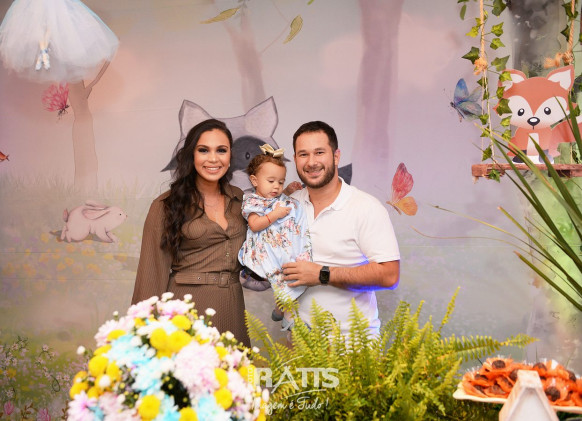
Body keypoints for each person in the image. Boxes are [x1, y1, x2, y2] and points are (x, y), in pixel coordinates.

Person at [131, 119, 250, 347]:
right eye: (203, 150)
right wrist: (141, 339)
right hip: (185, 312)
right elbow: (150, 276)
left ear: (230, 156)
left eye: (221, 150)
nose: (213, 159)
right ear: (191, 155)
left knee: (235, 368)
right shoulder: (166, 205)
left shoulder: (242, 200)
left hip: (232, 307)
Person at [282, 121, 400, 337]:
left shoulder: (365, 207)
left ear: (336, 157)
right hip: (299, 341)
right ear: (295, 159)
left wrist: (322, 274)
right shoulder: (288, 206)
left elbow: (389, 275)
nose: (311, 162)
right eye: (303, 154)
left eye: (319, 152)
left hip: (353, 344)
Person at [238, 144, 312, 330]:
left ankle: (280, 308)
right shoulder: (252, 201)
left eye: (280, 182)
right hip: (265, 248)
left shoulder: (274, 196)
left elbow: (275, 201)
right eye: (271, 181)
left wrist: (287, 192)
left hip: (280, 245)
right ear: (254, 180)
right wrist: (275, 215)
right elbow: (255, 224)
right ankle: (288, 316)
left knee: (291, 274)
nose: (276, 186)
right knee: (282, 277)